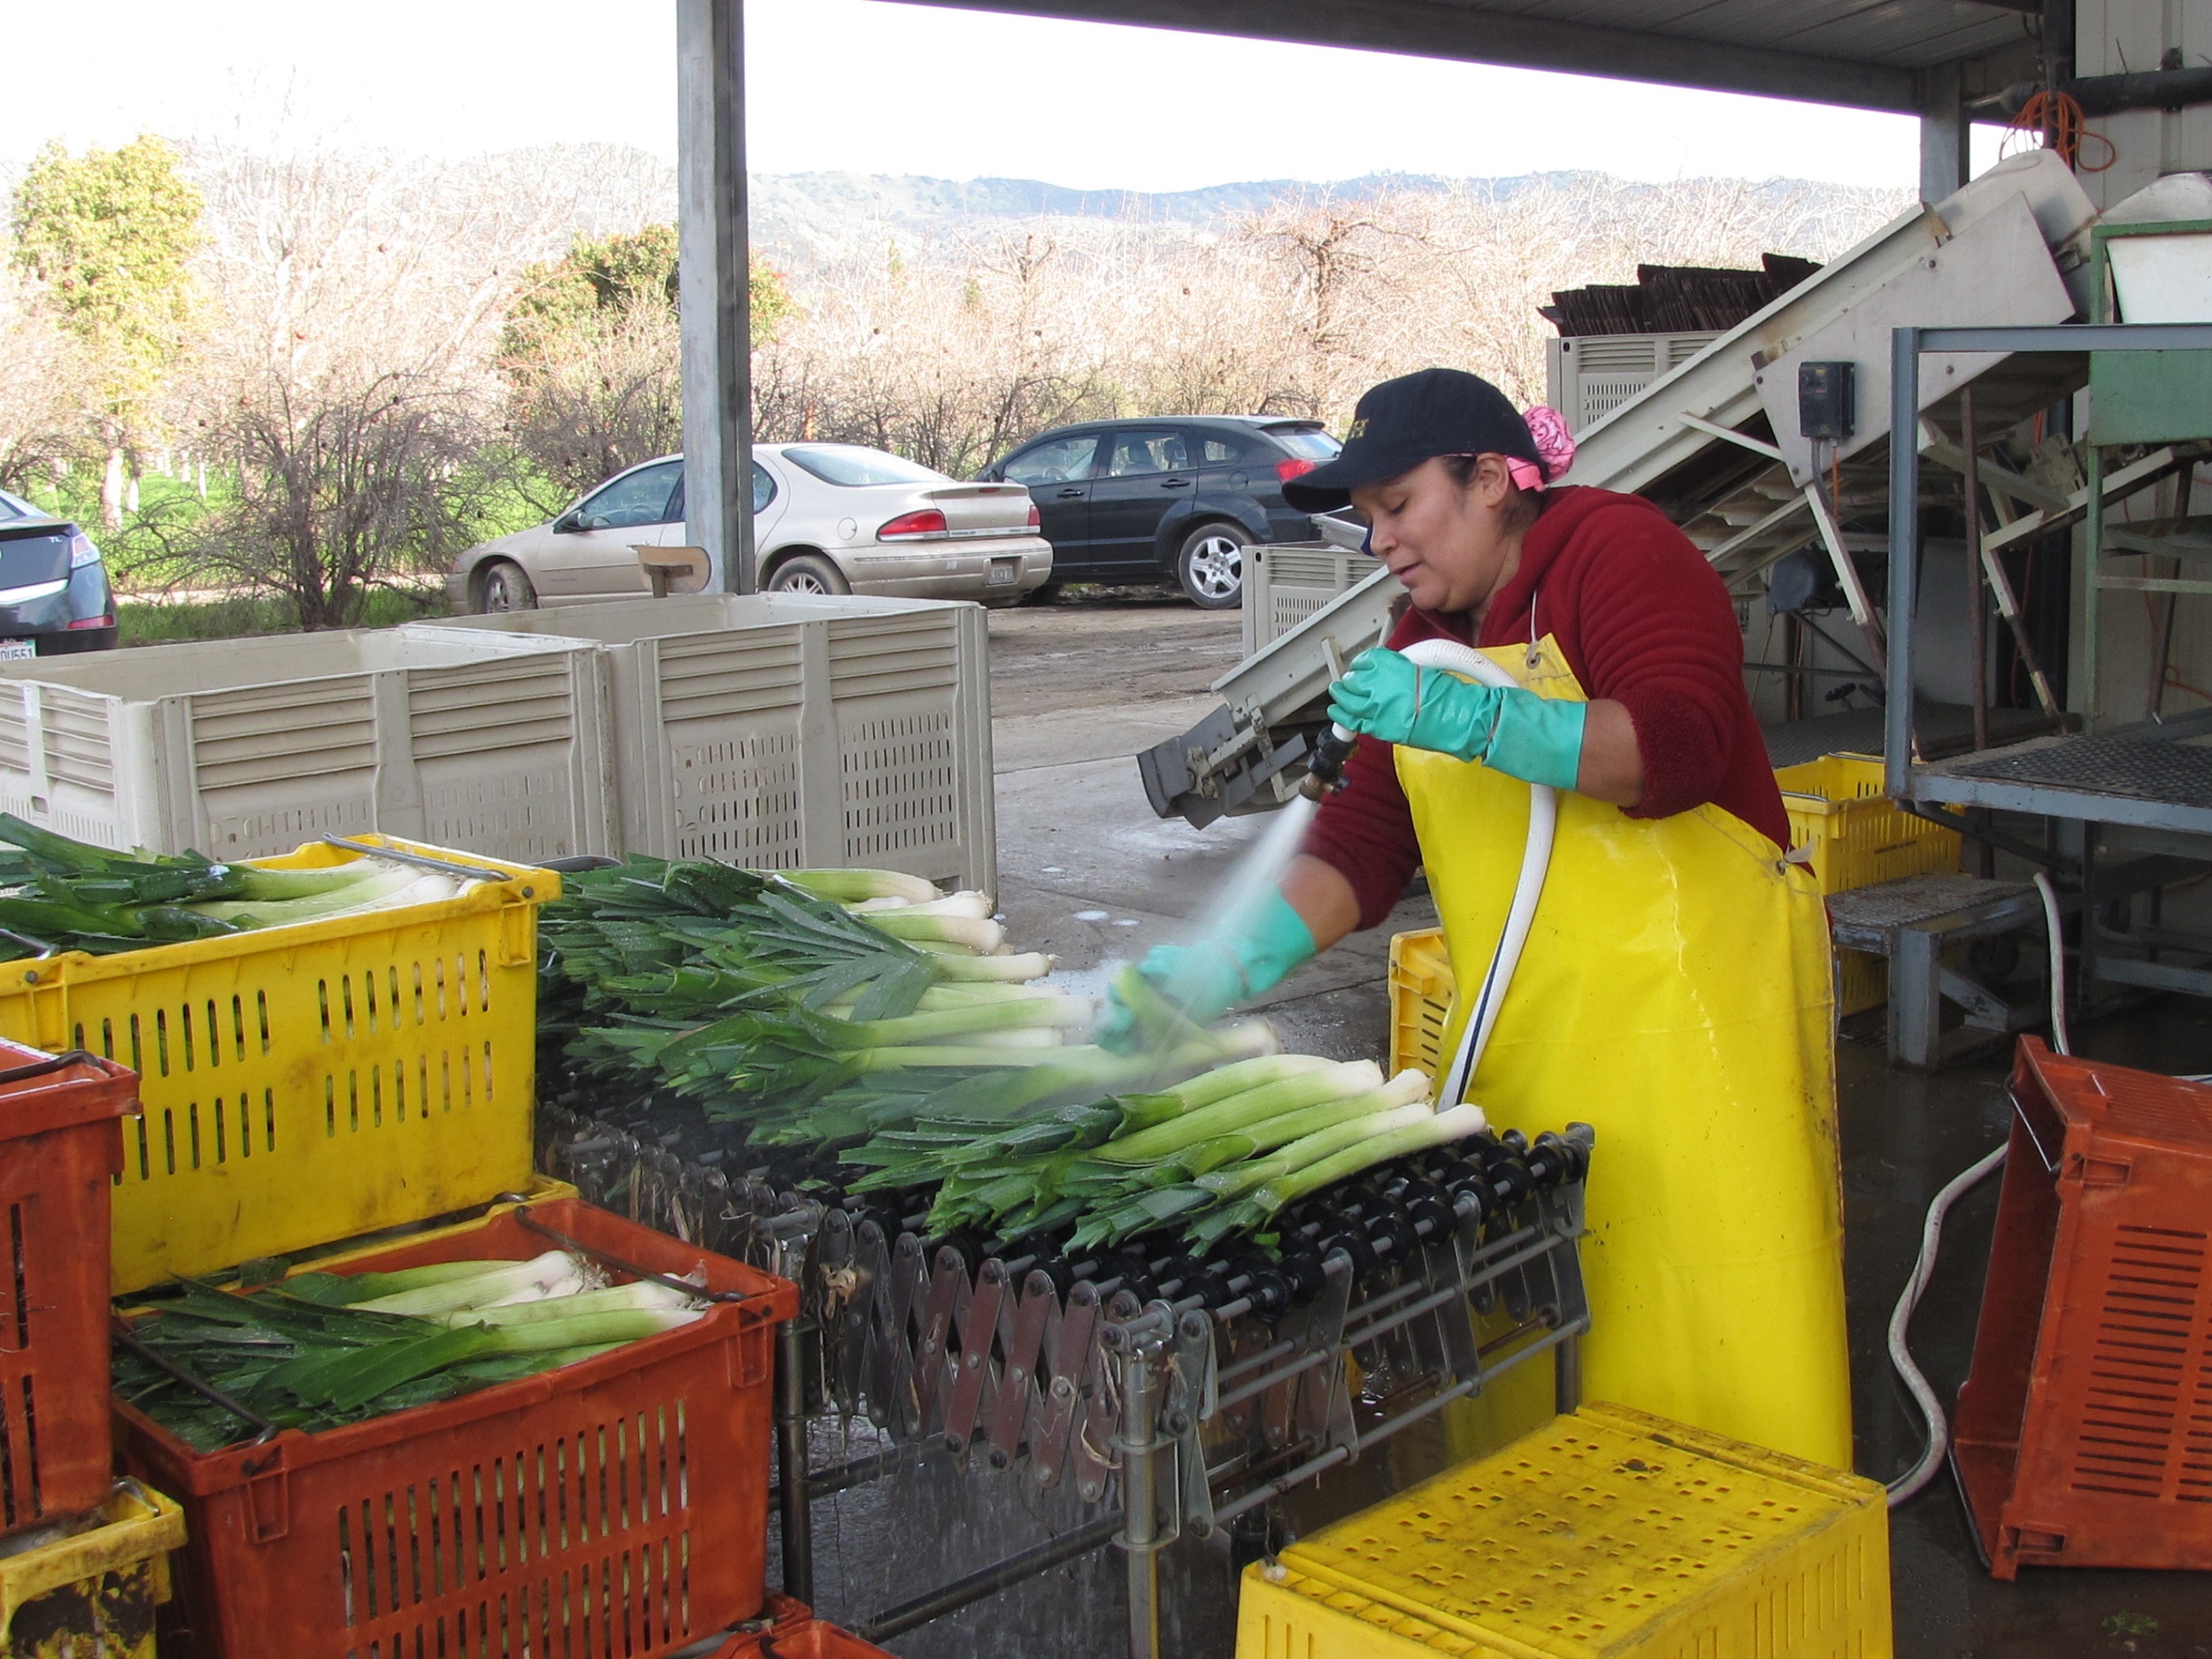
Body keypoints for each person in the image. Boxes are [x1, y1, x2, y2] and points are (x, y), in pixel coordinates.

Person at [1112, 367, 1852, 1470]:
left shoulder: (1618, 552)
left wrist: (1476, 719)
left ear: (1494, 481)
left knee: (1716, 1353)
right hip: (1533, 1046)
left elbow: (1679, 744)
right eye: (1368, 518)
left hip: (1703, 1049)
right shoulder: (1419, 639)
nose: (1380, 542)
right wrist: (1228, 963)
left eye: (1398, 505)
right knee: (1549, 1369)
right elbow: (1359, 848)